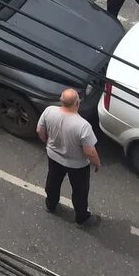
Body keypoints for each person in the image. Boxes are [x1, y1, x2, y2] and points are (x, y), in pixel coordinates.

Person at [37, 89, 101, 228]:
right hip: (77, 165)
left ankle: (51, 205)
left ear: (61, 101)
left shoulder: (49, 111)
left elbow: (40, 131)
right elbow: (90, 151)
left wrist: (47, 143)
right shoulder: (83, 126)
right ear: (77, 103)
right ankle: (81, 218)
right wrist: (97, 163)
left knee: (53, 181)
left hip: (53, 156)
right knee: (79, 191)